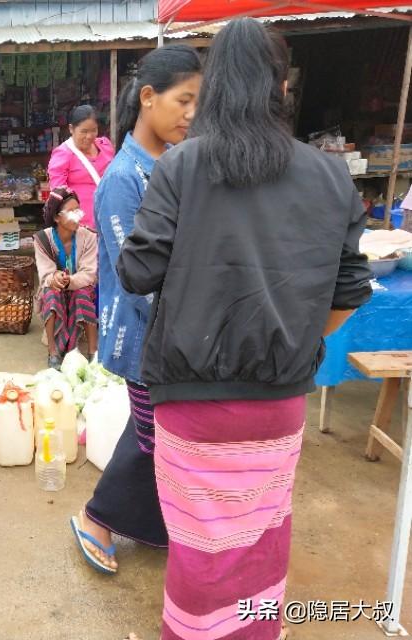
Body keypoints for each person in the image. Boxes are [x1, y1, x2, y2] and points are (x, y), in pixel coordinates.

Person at [117, 20, 372, 640]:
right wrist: (305, 338)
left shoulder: (181, 166)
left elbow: (137, 271)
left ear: (215, 90)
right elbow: (350, 289)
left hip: (192, 401)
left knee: (199, 548)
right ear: (281, 87)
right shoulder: (331, 175)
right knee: (261, 537)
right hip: (278, 399)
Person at [71, 45, 202, 575]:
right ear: (148, 97)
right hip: (144, 333)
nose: (191, 114)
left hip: (175, 329)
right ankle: (95, 517)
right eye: (183, 100)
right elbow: (134, 276)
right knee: (152, 437)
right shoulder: (124, 178)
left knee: (159, 431)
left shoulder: (171, 164)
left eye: (198, 102)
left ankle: (149, 524)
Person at [33, 186, 98, 369]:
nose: (77, 216)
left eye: (78, 210)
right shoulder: (42, 239)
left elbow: (89, 273)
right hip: (56, 288)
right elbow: (45, 274)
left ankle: (93, 351)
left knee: (83, 294)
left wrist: (71, 281)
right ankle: (53, 351)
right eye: (71, 212)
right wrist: (54, 277)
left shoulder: (89, 237)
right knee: (51, 293)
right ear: (56, 217)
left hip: (79, 287)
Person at [47, 105, 115, 229]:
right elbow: (58, 192)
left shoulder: (105, 145)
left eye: (93, 130)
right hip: (82, 224)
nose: (89, 136)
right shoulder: (63, 154)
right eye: (84, 131)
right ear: (71, 129)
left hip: (110, 216)